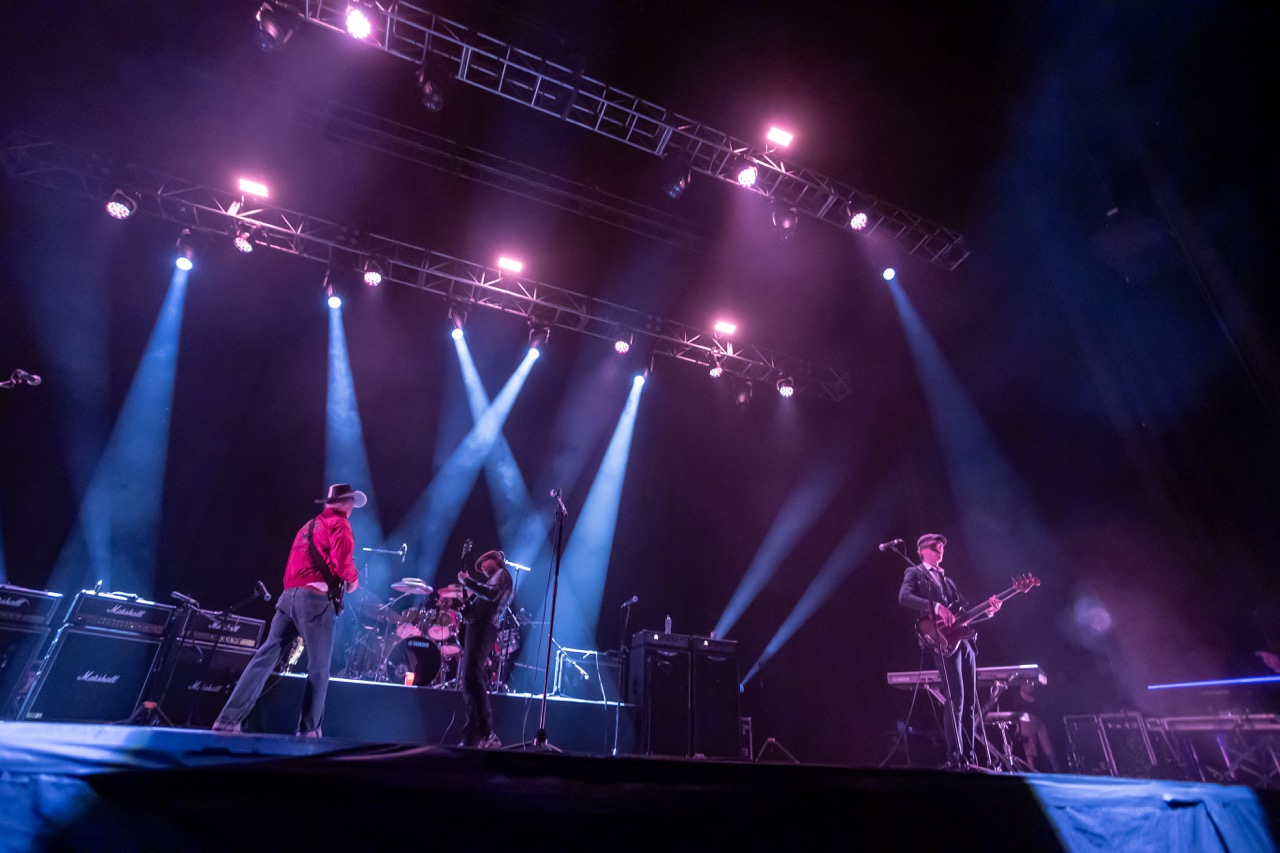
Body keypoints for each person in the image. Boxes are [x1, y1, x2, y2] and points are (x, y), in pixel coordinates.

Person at [212, 483, 365, 736]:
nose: (352, 508)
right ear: (345, 503)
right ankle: (309, 730)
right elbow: (342, 563)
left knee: (264, 658)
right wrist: (353, 580)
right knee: (319, 667)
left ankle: (227, 720)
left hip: (287, 599)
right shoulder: (340, 525)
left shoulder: (307, 526)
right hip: (315, 600)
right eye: (350, 503)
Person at [898, 532, 1001, 769]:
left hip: (963, 642)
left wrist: (988, 611)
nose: (940, 550)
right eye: (935, 546)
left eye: (942, 546)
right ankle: (956, 756)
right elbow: (904, 597)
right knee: (956, 698)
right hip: (940, 639)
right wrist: (933, 606)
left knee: (970, 702)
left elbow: (964, 615)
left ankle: (970, 756)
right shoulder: (914, 572)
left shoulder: (949, 581)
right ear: (922, 549)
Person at [456, 548, 513, 748]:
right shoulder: (493, 578)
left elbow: (491, 594)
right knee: (469, 680)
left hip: (484, 628)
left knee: (473, 676)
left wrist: (468, 582)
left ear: (495, 560)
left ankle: (488, 732)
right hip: (478, 627)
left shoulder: (502, 575)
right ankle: (473, 735)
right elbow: (481, 604)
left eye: (484, 563)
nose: (481, 567)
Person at [1002, 677, 1061, 772]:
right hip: (1026, 722)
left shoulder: (1035, 697)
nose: (1031, 686)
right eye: (1028, 684)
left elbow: (1042, 710)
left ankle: (1057, 771)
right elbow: (1017, 712)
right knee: (1030, 750)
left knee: (1048, 747)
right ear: (1023, 685)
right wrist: (1018, 727)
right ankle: (1033, 772)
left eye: (1032, 685)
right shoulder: (1018, 697)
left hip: (1038, 721)